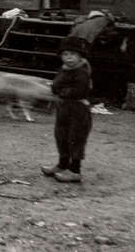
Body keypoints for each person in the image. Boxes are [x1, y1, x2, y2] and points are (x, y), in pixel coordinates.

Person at [42, 36, 93, 183]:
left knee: (75, 138)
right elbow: (55, 85)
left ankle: (75, 170)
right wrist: (57, 89)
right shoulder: (64, 70)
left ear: (80, 56)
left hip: (78, 109)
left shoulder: (82, 72)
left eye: (73, 54)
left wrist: (60, 90)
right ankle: (62, 164)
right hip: (64, 107)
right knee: (61, 136)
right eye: (65, 54)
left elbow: (78, 91)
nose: (68, 58)